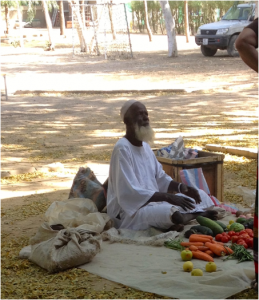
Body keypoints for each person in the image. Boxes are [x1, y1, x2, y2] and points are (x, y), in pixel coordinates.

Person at [107, 100, 218, 232]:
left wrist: (182, 187)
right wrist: (168, 197)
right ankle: (196, 215)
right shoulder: (122, 149)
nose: (145, 118)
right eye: (139, 114)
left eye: (146, 114)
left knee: (201, 195)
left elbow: (160, 177)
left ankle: (180, 219)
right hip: (130, 212)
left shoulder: (146, 147)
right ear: (127, 121)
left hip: (154, 204)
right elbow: (129, 193)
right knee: (172, 213)